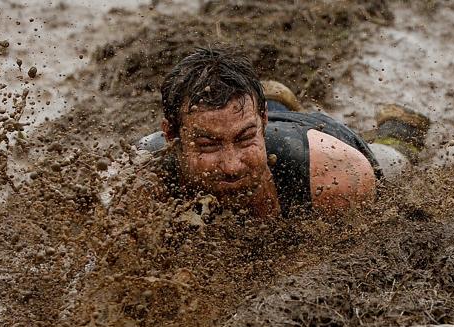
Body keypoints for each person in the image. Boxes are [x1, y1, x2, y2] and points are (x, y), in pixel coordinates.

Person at [138, 47, 430, 216]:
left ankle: (400, 128)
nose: (231, 166)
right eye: (208, 145)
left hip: (307, 141)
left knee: (395, 161)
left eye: (244, 140)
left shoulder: (335, 174)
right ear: (171, 135)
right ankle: (274, 102)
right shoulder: (140, 178)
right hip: (263, 123)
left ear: (262, 121)